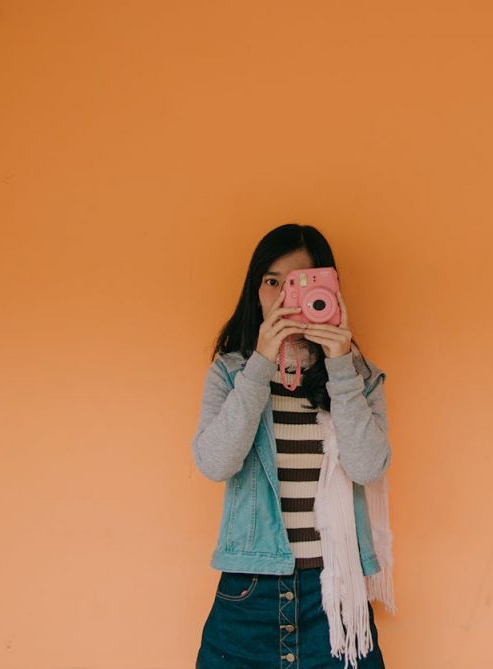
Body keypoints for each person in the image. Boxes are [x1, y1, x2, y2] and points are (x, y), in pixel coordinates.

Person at [192, 223, 394, 669]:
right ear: (255, 291)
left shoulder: (357, 376)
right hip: (250, 593)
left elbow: (367, 466)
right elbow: (214, 462)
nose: (286, 295)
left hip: (336, 598)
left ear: (329, 287)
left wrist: (341, 366)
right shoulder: (232, 373)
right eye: (272, 282)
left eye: (301, 282)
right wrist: (261, 363)